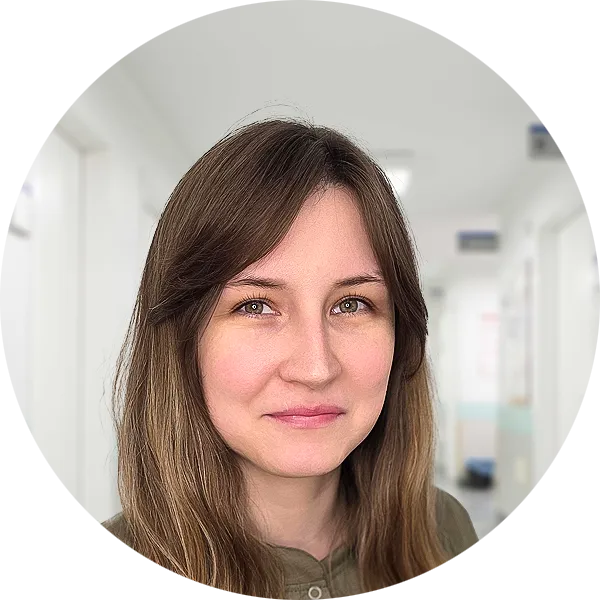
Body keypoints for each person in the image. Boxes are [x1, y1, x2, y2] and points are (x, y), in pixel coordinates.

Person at [102, 118, 479, 599]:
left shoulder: (445, 529)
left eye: (352, 304)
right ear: (181, 339)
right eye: (256, 306)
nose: (315, 368)